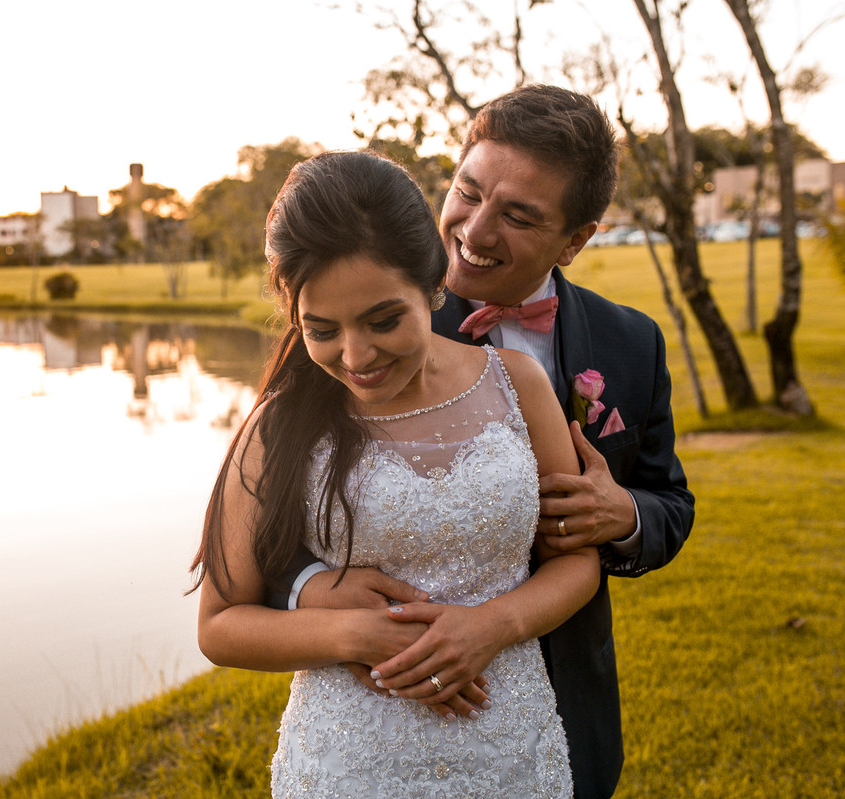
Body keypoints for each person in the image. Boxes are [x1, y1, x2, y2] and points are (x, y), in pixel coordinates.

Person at [274, 85, 696, 799]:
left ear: (576, 239)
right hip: (385, 707)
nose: (474, 227)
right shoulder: (363, 327)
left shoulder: (632, 343)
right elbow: (267, 519)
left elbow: (670, 502)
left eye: (518, 215)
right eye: (468, 191)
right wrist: (311, 586)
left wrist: (623, 513)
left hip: (557, 693)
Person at [192, 149, 600, 797]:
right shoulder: (279, 423)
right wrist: (355, 633)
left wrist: (497, 623)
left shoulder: (518, 385)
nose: (357, 356)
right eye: (322, 329)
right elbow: (218, 623)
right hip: (350, 763)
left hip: (509, 749)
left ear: (433, 284)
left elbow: (577, 562)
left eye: (385, 319)